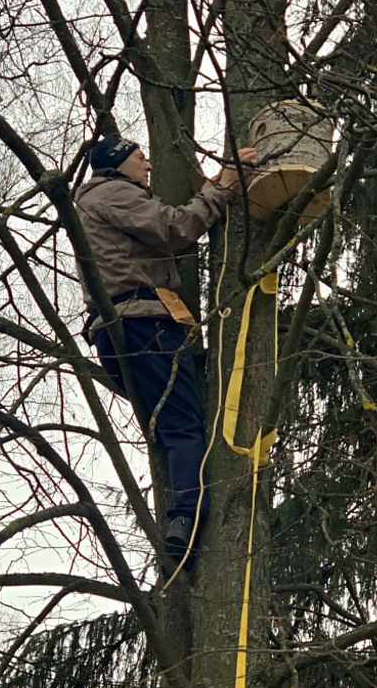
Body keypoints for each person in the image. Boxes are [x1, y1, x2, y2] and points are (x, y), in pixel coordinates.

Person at [74, 135, 256, 563]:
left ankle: (181, 513)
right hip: (145, 324)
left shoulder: (97, 202)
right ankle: (186, 522)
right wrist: (225, 184)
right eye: (141, 158)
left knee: (170, 425)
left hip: (125, 328)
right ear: (119, 164)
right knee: (184, 425)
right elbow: (176, 228)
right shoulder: (113, 193)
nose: (149, 166)